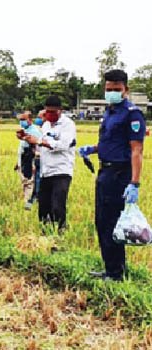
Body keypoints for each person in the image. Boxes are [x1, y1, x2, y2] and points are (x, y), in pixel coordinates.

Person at [79, 69, 146, 281]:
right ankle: (114, 268)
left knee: (109, 222)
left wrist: (134, 183)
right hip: (105, 170)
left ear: (126, 89)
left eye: (117, 89)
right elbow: (110, 141)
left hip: (119, 174)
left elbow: (137, 150)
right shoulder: (110, 111)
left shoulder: (132, 113)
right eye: (109, 89)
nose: (112, 93)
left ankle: (114, 273)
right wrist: (93, 149)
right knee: (103, 221)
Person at [22, 96, 76, 233]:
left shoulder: (68, 125)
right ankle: (45, 234)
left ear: (60, 111)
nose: (50, 115)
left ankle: (60, 233)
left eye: (53, 112)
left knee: (58, 205)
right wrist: (29, 140)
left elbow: (62, 145)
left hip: (62, 171)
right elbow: (42, 146)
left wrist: (39, 141)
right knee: (43, 207)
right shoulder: (45, 126)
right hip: (46, 171)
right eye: (47, 112)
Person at [15, 111, 42, 210]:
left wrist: (33, 163)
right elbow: (22, 148)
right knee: (25, 182)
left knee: (30, 182)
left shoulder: (34, 131)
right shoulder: (24, 130)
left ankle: (28, 203)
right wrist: (17, 163)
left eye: (23, 119)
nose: (21, 122)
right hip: (23, 159)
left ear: (30, 120)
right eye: (20, 120)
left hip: (30, 159)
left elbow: (37, 147)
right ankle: (28, 201)